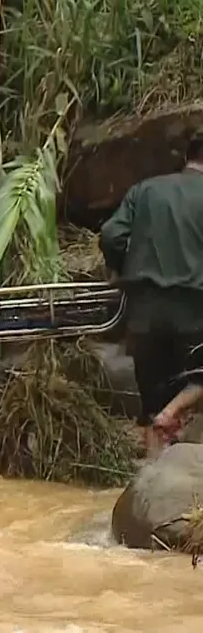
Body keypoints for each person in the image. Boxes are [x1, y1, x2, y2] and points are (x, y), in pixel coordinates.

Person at [101, 133, 203, 454]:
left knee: (151, 404)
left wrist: (123, 270)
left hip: (143, 314)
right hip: (194, 312)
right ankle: (173, 412)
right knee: (194, 383)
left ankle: (148, 480)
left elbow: (111, 235)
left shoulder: (145, 190)